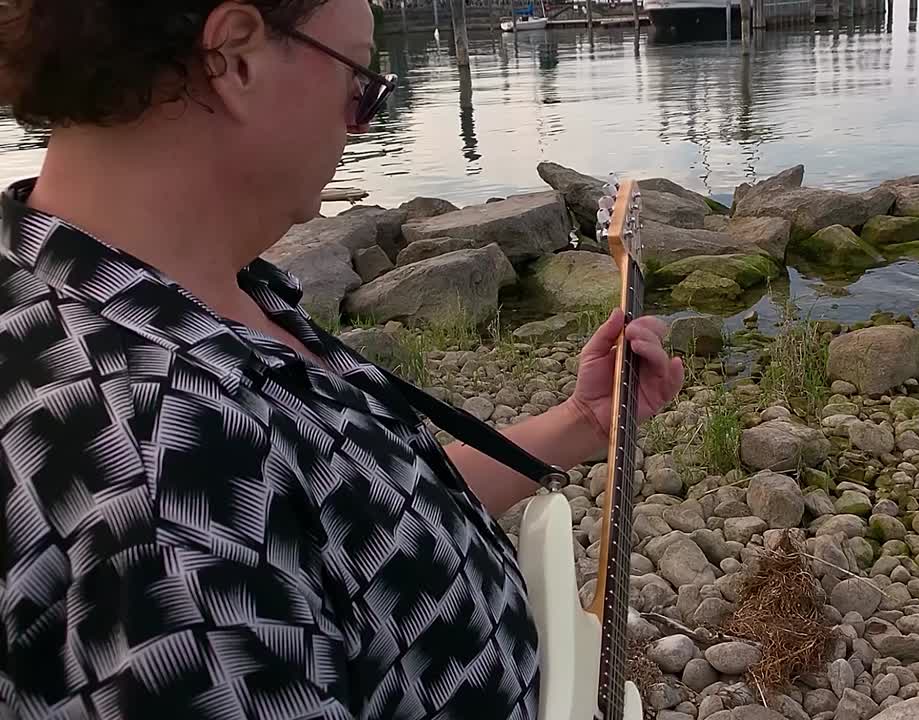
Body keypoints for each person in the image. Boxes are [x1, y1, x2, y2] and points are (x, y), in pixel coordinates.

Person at [0, 0, 685, 718]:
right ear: (236, 58)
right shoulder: (160, 472)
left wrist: (579, 421)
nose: (363, 121)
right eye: (360, 85)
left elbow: (359, 528)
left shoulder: (180, 295)